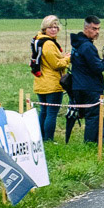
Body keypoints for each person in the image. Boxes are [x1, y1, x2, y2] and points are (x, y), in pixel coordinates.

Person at [67, 16, 104, 145]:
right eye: (94, 28)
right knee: (93, 116)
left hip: (78, 86)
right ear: (86, 28)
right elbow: (97, 68)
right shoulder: (87, 46)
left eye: (98, 29)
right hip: (90, 88)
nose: (97, 32)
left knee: (97, 113)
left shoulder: (77, 44)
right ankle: (89, 144)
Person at [31, 14, 71, 142]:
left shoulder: (39, 40)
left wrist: (61, 56)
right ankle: (48, 140)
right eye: (50, 27)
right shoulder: (49, 44)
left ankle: (40, 139)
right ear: (44, 29)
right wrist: (68, 58)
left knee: (44, 112)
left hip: (41, 82)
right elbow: (56, 64)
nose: (54, 29)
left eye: (56, 27)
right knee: (51, 113)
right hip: (52, 83)